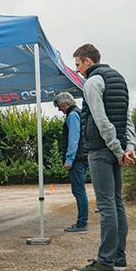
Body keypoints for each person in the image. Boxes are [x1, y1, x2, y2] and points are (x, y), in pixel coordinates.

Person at [71, 44, 136, 271]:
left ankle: (105, 262)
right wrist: (129, 147)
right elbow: (126, 118)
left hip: (101, 150)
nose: (77, 70)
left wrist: (118, 149)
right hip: (116, 148)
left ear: (88, 61)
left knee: (107, 205)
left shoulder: (92, 82)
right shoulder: (118, 79)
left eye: (78, 64)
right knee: (117, 203)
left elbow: (100, 120)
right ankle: (119, 258)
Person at [53, 92, 89, 233]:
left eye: (59, 106)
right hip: (82, 157)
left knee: (79, 191)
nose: (59, 109)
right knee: (80, 191)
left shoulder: (73, 115)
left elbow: (74, 139)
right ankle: (82, 222)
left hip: (77, 160)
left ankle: (82, 224)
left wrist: (69, 159)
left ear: (65, 104)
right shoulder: (78, 113)